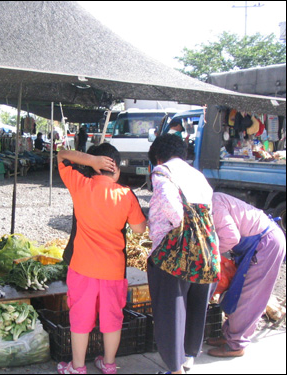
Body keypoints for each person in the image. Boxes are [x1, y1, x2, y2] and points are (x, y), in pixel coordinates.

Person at [56, 144, 147, 375]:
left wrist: (90, 160)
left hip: (82, 268)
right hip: (113, 271)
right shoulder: (126, 194)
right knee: (112, 319)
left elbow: (62, 155)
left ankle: (77, 368)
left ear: (94, 167)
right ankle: (108, 364)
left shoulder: (80, 184)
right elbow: (138, 230)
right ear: (116, 170)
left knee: (80, 319)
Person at [147, 134, 217, 374]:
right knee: (196, 305)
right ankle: (188, 358)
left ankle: (174, 369)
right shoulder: (198, 175)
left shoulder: (162, 172)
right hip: (205, 248)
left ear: (158, 155)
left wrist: (174, 228)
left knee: (171, 309)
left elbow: (171, 207)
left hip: (175, 251)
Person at [206, 192, 286, 357]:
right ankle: (230, 336)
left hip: (266, 244)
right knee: (238, 292)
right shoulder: (213, 200)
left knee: (249, 297)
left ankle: (236, 345)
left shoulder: (214, 204)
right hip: (258, 243)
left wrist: (208, 255)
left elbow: (231, 238)